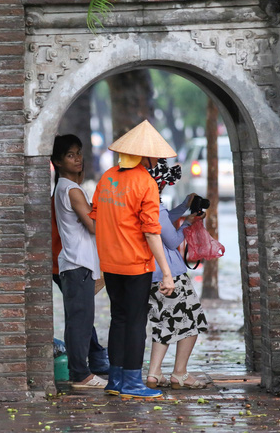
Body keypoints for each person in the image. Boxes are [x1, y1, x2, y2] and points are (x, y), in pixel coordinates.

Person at [88, 120, 177, 399]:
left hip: (110, 264)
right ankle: (133, 383)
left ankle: (115, 381)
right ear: (146, 156)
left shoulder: (107, 177)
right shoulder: (145, 182)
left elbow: (96, 216)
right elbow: (152, 232)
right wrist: (166, 272)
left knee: (119, 319)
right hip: (136, 264)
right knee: (137, 322)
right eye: (155, 157)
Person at [145, 158, 209, 390]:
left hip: (148, 273)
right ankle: (179, 373)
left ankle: (153, 374)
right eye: (163, 184)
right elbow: (171, 241)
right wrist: (186, 225)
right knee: (193, 320)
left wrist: (183, 208)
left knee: (162, 322)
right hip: (169, 273)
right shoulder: (153, 202)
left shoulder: (137, 200)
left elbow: (160, 223)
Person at [51, 134, 107, 389]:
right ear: (58, 162)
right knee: (80, 322)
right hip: (77, 263)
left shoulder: (66, 187)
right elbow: (94, 226)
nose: (77, 159)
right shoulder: (71, 190)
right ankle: (81, 374)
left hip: (75, 263)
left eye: (79, 153)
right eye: (70, 155)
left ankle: (80, 372)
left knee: (79, 320)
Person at [51, 200, 110, 377]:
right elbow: (93, 227)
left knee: (78, 316)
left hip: (66, 261)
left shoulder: (62, 195)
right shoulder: (69, 193)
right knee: (80, 316)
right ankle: (83, 369)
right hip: (73, 263)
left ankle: (90, 360)